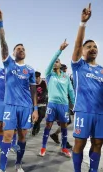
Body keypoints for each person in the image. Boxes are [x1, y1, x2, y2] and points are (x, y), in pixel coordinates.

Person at [0, 5, 38, 172]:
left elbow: (33, 91)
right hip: (10, 106)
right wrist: (0, 24)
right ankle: (2, 168)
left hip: (26, 107)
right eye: (18, 49)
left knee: (22, 137)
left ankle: (18, 164)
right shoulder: (8, 64)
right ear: (12, 53)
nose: (21, 50)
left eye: (23, 48)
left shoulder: (31, 70)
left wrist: (35, 109)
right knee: (7, 136)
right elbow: (3, 44)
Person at [72, 3, 103, 172]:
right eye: (88, 46)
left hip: (101, 113)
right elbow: (76, 46)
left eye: (95, 47)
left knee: (98, 143)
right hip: (83, 111)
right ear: (83, 52)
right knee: (80, 143)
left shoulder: (102, 70)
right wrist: (83, 23)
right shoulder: (78, 66)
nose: (92, 48)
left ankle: (93, 170)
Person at [39, 40, 75, 158]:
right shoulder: (49, 75)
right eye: (54, 61)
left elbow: (70, 91)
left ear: (60, 64)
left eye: (57, 61)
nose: (55, 62)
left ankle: (64, 148)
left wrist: (74, 104)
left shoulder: (66, 77)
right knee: (48, 125)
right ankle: (43, 147)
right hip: (52, 104)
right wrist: (60, 50)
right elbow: (50, 63)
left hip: (63, 105)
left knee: (64, 126)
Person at [50, 64, 73, 149]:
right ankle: (64, 142)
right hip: (57, 105)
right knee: (65, 123)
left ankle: (55, 135)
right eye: (64, 70)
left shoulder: (66, 78)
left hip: (64, 104)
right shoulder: (55, 78)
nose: (65, 72)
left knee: (67, 122)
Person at [32, 71, 48, 136]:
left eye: (36, 78)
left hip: (43, 102)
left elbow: (46, 91)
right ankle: (35, 128)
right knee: (37, 117)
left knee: (42, 116)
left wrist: (44, 98)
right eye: (34, 78)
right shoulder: (32, 84)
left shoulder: (44, 83)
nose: (35, 80)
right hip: (35, 103)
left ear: (39, 77)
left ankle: (37, 125)